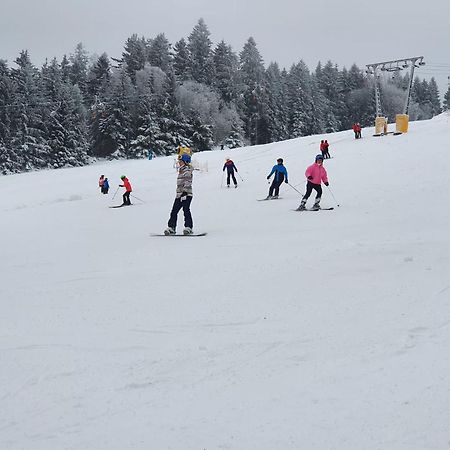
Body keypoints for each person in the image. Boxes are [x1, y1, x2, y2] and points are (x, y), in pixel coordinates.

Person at [165, 154, 194, 235]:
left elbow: (188, 181)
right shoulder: (181, 170)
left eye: (181, 161)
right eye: (179, 161)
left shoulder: (187, 170)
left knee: (186, 210)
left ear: (185, 162)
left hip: (186, 194)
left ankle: (188, 227)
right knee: (174, 211)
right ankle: (171, 227)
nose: (179, 163)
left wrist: (184, 192)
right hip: (179, 195)